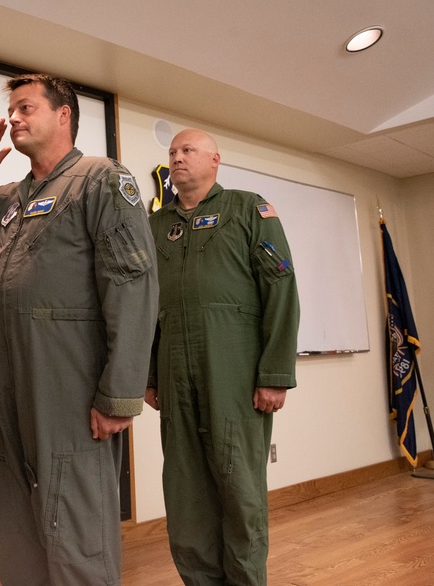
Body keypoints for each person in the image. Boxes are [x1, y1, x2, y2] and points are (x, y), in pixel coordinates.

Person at [0, 74, 159, 585]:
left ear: (64, 115)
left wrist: (119, 395)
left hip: (68, 386)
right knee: (20, 522)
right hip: (12, 382)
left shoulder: (101, 180)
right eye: (12, 110)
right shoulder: (7, 198)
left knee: (75, 528)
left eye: (26, 108)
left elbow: (132, 284)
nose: (14, 119)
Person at [146, 128, 299, 586]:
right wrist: (150, 375)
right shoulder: (155, 226)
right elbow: (146, 307)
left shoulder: (249, 209)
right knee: (186, 493)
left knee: (240, 491)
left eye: (187, 150)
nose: (177, 158)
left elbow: (281, 288)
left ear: (215, 159)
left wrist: (274, 372)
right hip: (175, 375)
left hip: (232, 372)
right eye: (172, 152)